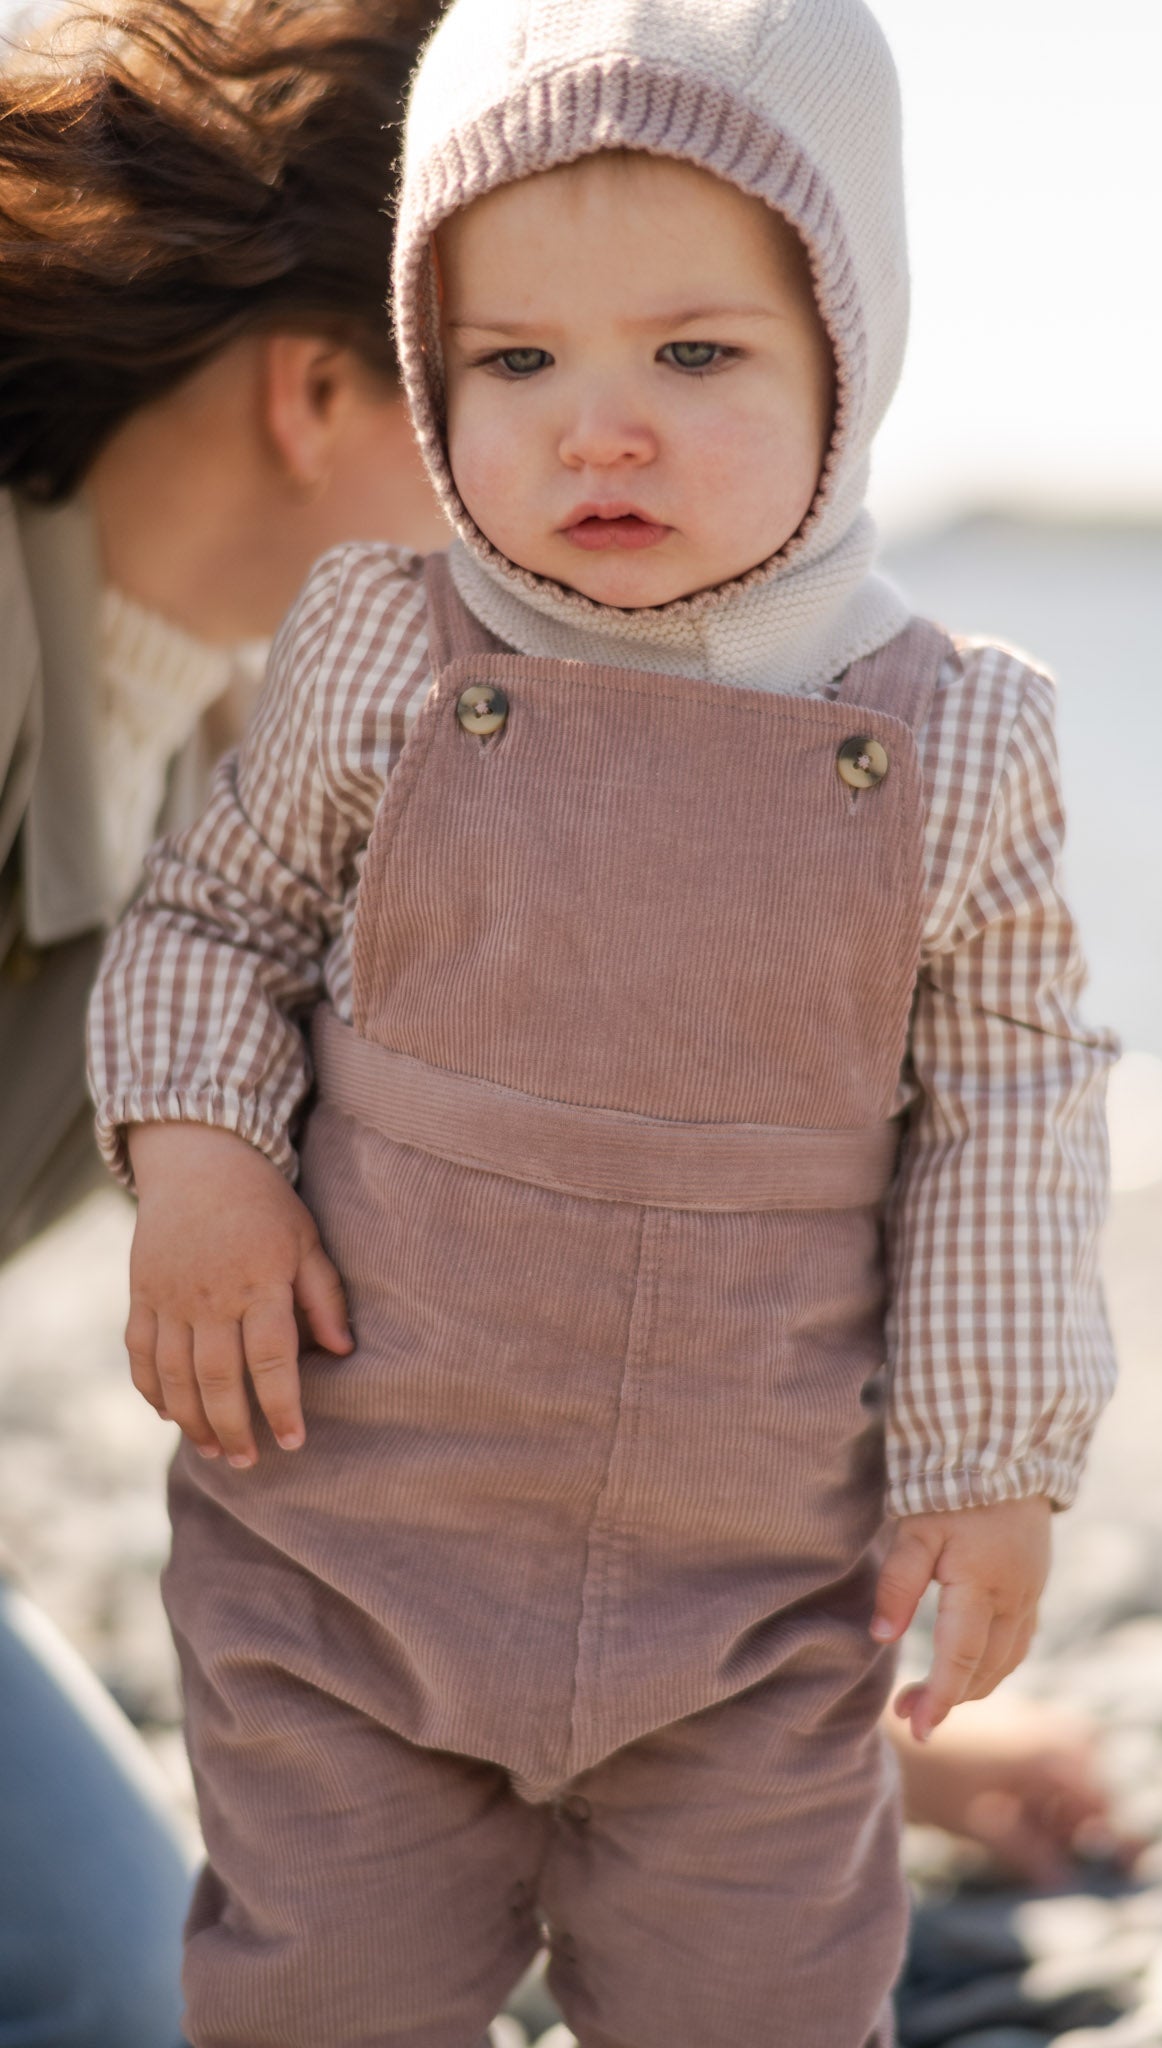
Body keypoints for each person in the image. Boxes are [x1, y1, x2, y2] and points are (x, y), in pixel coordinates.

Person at [88, 0, 1120, 2040]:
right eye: (516, 362)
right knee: (320, 1984)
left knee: (758, 1987)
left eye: (693, 354)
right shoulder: (384, 639)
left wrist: (989, 1457)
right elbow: (214, 917)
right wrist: (200, 1152)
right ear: (425, 363)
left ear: (851, 344)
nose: (598, 427)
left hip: (748, 1600)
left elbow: (1012, 1098)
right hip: (354, 1549)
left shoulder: (952, 735)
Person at [0, 1, 446, 2038]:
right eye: (507, 377)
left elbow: (405, 1337)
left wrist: (794, 1732)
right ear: (324, 387)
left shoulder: (256, 757)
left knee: (142, 1988)